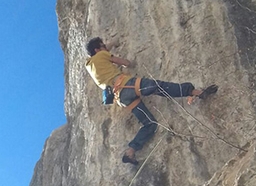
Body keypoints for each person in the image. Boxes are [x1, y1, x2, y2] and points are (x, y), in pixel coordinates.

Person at [85, 37, 218, 165]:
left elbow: (101, 51)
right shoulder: (102, 55)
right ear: (97, 50)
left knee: (149, 124)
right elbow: (127, 63)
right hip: (128, 85)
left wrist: (110, 44)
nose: (106, 48)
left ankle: (131, 151)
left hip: (122, 99)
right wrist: (121, 58)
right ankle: (197, 92)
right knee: (159, 87)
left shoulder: (90, 66)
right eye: (103, 46)